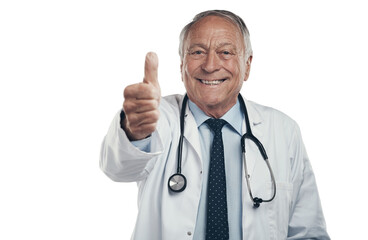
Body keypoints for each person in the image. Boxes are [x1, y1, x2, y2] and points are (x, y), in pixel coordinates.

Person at [100, 10, 330, 240]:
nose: (210, 65)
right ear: (182, 66)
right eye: (198, 52)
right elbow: (117, 168)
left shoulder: (283, 130)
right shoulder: (158, 118)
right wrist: (135, 132)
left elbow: (308, 232)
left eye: (226, 52)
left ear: (247, 65)